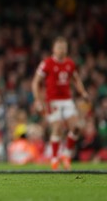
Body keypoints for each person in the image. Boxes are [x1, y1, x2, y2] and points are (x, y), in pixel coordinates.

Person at [32, 36, 89, 170]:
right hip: (52, 101)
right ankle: (55, 158)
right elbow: (35, 82)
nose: (61, 50)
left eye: (64, 48)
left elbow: (76, 79)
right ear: (54, 49)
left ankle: (66, 155)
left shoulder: (70, 63)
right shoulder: (47, 63)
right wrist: (38, 99)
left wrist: (83, 92)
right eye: (59, 47)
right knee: (57, 127)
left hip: (67, 100)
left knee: (76, 127)